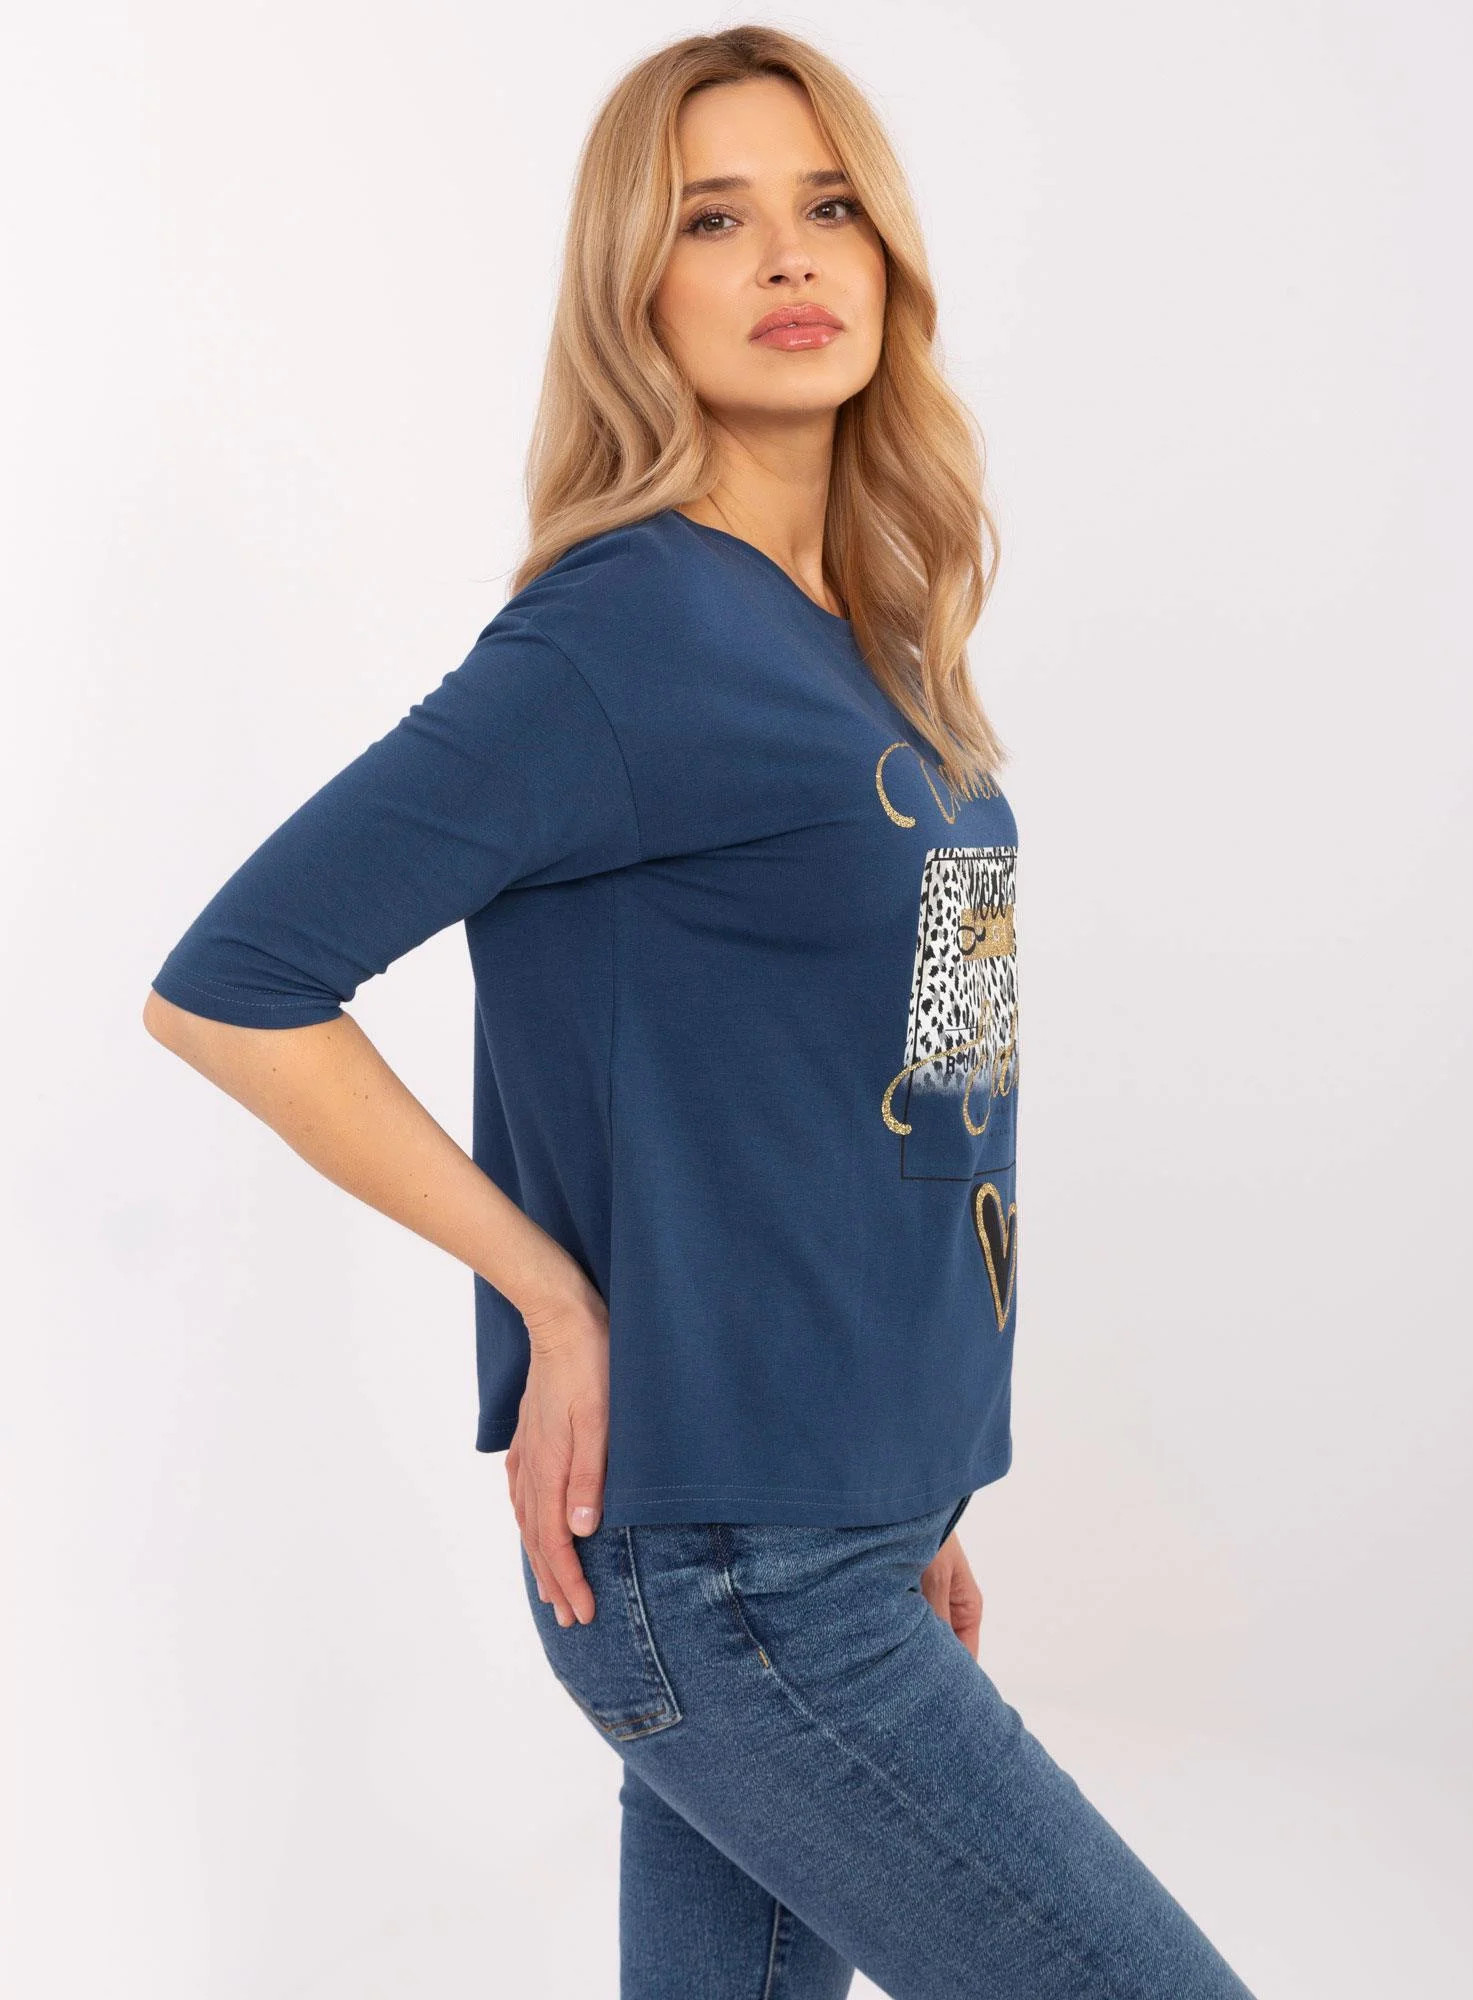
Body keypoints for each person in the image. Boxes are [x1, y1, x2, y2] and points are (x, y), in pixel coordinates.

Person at [144, 25, 1258, 2000]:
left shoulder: (869, 645)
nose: (788, 256)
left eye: (829, 207)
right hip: (739, 1574)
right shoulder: (626, 628)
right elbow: (234, 987)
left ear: (890, 256)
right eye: (714, 220)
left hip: (839, 1532)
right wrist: (549, 1295)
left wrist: (909, 1482)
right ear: (632, 291)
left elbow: (915, 1098)